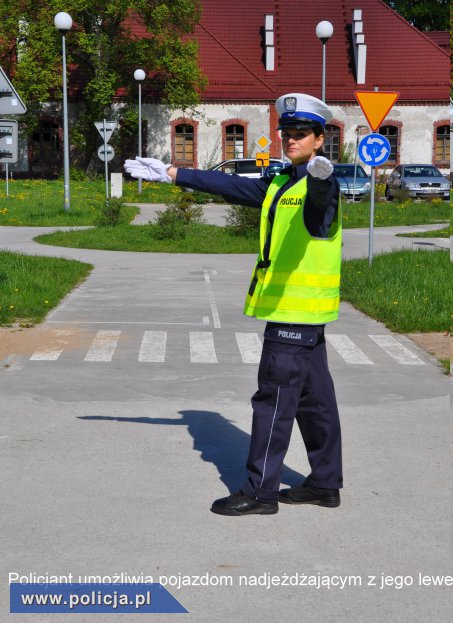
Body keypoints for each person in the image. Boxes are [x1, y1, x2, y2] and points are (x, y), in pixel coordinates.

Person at [125, 93, 344, 517]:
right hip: (307, 316)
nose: (291, 139)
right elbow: (231, 185)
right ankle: (324, 483)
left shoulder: (321, 184)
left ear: (320, 140)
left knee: (273, 401)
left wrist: (321, 179)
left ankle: (260, 492)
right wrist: (172, 173)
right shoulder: (281, 182)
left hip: (293, 314)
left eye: (301, 133)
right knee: (315, 401)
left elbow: (321, 207)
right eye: (287, 132)